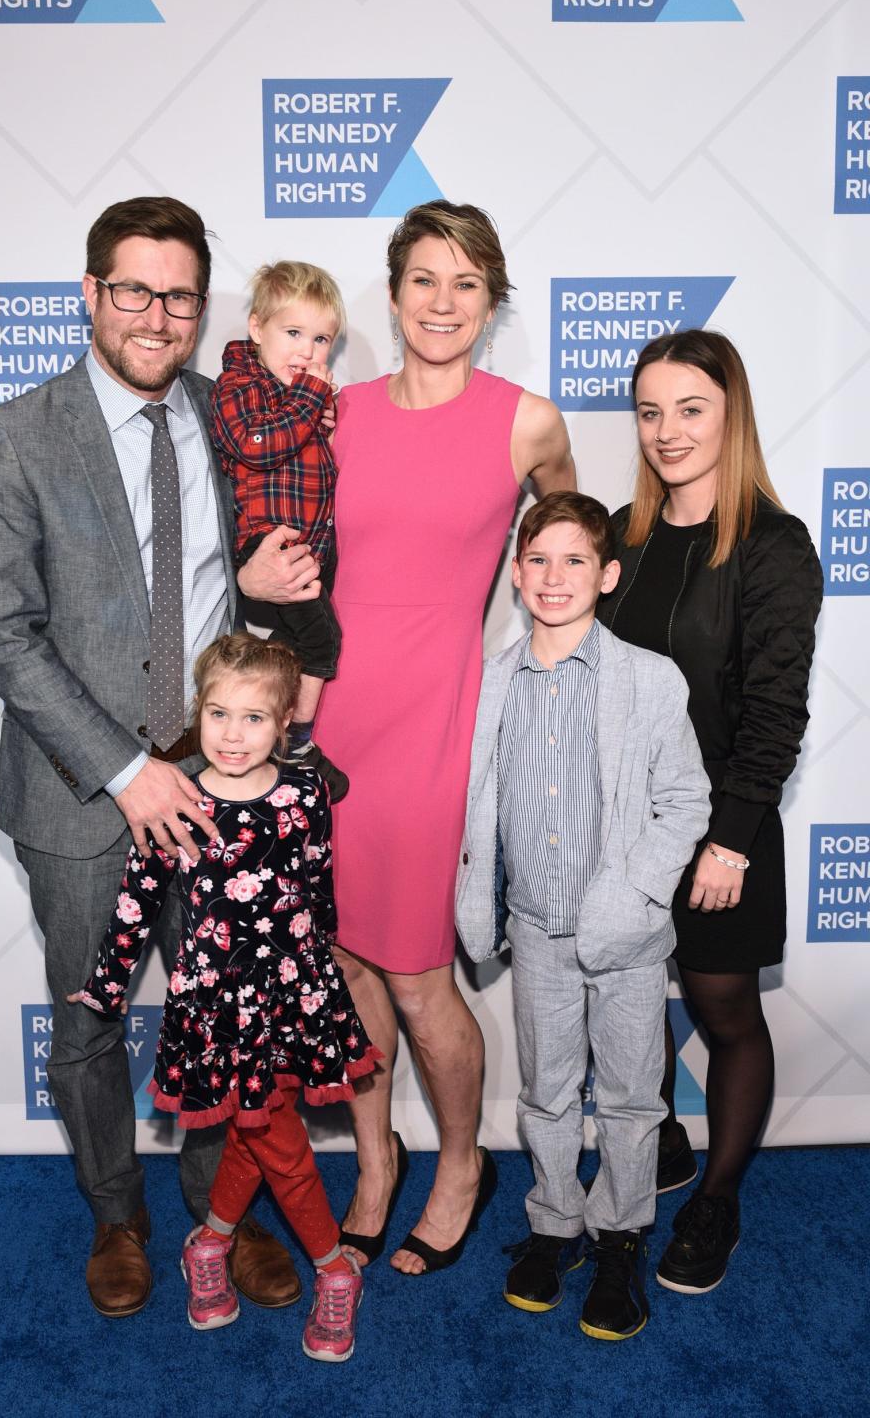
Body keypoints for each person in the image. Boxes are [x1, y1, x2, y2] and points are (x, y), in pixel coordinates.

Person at [0, 197, 320, 1317]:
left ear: (201, 307)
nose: (155, 315)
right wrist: (128, 769)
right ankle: (117, 1213)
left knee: (226, 1013)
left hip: (220, 789)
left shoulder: (233, 417)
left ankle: (225, 1215)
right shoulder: (16, 436)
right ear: (90, 293)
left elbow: (258, 567)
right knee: (88, 1019)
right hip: (82, 796)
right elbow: (5, 631)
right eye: (133, 290)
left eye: (178, 295)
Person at [313, 201, 577, 1275]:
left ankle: (462, 1160)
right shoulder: (334, 412)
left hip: (439, 722)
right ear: (392, 292)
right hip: (330, 718)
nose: (443, 302)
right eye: (425, 279)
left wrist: (553, 630)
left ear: (491, 303)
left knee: (420, 972)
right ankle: (377, 1160)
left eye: (467, 284)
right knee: (345, 963)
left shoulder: (528, 422)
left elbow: (565, 533)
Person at [70, 634, 378, 1361]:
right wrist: (110, 983)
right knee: (277, 1135)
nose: (233, 735)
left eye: (254, 719)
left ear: (284, 724)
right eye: (218, 714)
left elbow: (317, 884)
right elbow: (138, 901)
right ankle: (335, 1267)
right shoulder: (174, 796)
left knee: (252, 1124)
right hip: (216, 1003)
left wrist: (324, 973)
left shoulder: (305, 795)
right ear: (196, 713)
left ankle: (209, 1244)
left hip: (293, 993)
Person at [597, 329, 823, 1294]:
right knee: (629, 1002)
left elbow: (777, 708)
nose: (667, 431)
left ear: (731, 416)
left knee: (725, 1011)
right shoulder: (624, 536)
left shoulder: (773, 543)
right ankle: (668, 1142)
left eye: (691, 409)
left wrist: (729, 840)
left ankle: (718, 1198)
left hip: (725, 826)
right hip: (623, 828)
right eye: (651, 411)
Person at [456, 492, 710, 1339]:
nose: (554, 577)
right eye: (537, 560)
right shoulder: (490, 679)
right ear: (516, 573)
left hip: (628, 933)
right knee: (547, 1089)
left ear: (607, 574)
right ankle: (555, 1220)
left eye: (574, 561)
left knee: (635, 1098)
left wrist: (633, 892)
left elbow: (683, 802)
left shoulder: (649, 678)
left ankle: (621, 1234)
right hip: (533, 927)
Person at [210, 262, 348, 799]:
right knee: (323, 639)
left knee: (291, 651)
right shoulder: (238, 384)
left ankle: (273, 739)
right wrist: (312, 400)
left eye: (321, 340)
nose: (308, 352)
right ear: (256, 326)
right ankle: (299, 743)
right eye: (293, 333)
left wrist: (322, 416)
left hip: (309, 545)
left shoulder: (297, 395)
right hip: (272, 542)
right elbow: (256, 444)